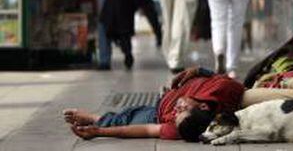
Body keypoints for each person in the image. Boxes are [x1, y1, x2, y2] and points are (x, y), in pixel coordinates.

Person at [63, 67, 244, 141]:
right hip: (166, 96)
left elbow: (148, 130)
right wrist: (196, 70)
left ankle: (95, 119)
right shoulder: (222, 90)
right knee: (125, 115)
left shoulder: (182, 128)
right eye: (181, 109)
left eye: (176, 116)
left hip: (156, 114)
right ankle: (100, 118)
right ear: (203, 106)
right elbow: (227, 80)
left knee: (124, 120)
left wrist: (99, 133)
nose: (176, 111)